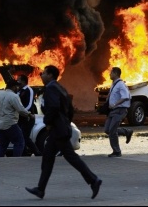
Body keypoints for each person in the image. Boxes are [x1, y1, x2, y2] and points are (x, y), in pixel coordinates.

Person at [25, 65, 102, 199]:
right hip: (60, 129)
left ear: (50, 75)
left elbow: (53, 107)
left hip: (57, 130)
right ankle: (40, 189)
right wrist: (65, 123)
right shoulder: (61, 88)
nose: (41, 76)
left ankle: (93, 180)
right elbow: (70, 110)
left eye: (43, 73)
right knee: (48, 158)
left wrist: (48, 122)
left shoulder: (51, 88)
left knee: (70, 157)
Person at [0, 79, 35, 157]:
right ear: (13, 87)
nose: (18, 88)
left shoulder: (0, 96)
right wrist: (30, 115)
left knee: (2, 145)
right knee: (20, 142)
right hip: (11, 124)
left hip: (0, 125)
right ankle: (16, 161)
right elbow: (21, 109)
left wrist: (1, 120)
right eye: (17, 86)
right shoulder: (14, 96)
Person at [104, 67, 133, 157]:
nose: (109, 74)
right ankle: (126, 131)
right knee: (107, 129)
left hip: (120, 110)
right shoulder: (114, 84)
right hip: (113, 111)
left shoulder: (121, 84)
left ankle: (117, 151)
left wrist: (115, 104)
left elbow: (126, 97)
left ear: (116, 73)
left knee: (112, 131)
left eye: (111, 73)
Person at [17, 74, 42, 156]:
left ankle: (37, 153)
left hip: (28, 117)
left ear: (24, 81)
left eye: (19, 81)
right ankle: (24, 153)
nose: (18, 83)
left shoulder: (29, 90)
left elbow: (29, 104)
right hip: (20, 117)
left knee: (25, 137)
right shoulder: (19, 91)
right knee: (21, 136)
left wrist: (23, 112)